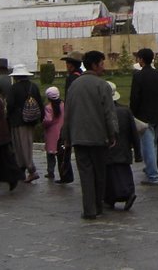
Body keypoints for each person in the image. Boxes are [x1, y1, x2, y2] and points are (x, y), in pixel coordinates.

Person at [65, 50, 119, 220]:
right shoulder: (102, 85)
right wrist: (112, 134)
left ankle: (89, 209)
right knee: (99, 174)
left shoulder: (74, 84)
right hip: (98, 136)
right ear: (95, 65)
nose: (103, 67)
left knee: (86, 175)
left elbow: (68, 112)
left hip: (79, 137)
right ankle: (98, 206)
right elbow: (109, 114)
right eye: (102, 64)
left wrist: (66, 136)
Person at [130, 47, 158, 186]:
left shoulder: (138, 76)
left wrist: (132, 112)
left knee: (148, 146)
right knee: (153, 144)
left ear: (141, 60)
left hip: (144, 115)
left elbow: (135, 97)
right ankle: (152, 168)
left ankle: (153, 175)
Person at [105, 81, 141, 211]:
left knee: (110, 177)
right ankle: (128, 193)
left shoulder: (103, 112)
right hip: (124, 150)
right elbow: (134, 133)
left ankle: (111, 199)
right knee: (124, 173)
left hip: (108, 150)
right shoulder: (125, 111)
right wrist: (138, 153)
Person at [6, 64, 43, 182]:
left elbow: (10, 105)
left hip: (18, 120)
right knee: (27, 144)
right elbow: (40, 103)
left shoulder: (14, 88)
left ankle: (30, 169)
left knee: (20, 146)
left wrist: (8, 117)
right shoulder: (34, 86)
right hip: (31, 120)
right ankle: (22, 169)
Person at [57, 50, 84, 184]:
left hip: (73, 116)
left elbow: (69, 99)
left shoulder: (71, 78)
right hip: (83, 114)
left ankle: (65, 174)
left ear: (71, 65)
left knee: (63, 145)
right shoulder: (82, 76)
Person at [43, 87, 65, 179]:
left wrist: (43, 124)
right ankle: (63, 173)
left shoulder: (48, 107)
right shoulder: (63, 105)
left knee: (50, 155)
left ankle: (50, 171)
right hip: (62, 132)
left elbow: (47, 120)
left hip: (51, 133)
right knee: (61, 156)